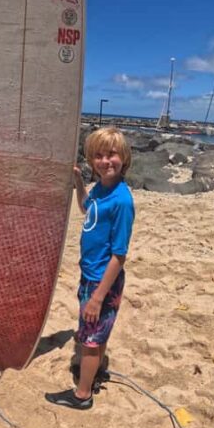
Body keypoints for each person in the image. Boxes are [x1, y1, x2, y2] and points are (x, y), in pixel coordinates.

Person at [45, 127, 135, 410]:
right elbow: (87, 208)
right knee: (96, 335)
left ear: (124, 158)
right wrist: (78, 182)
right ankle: (93, 372)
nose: (105, 161)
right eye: (98, 156)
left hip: (102, 282)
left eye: (112, 155)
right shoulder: (101, 189)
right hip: (91, 276)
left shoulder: (121, 200)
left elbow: (119, 256)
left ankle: (82, 395)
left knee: (91, 341)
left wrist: (97, 297)